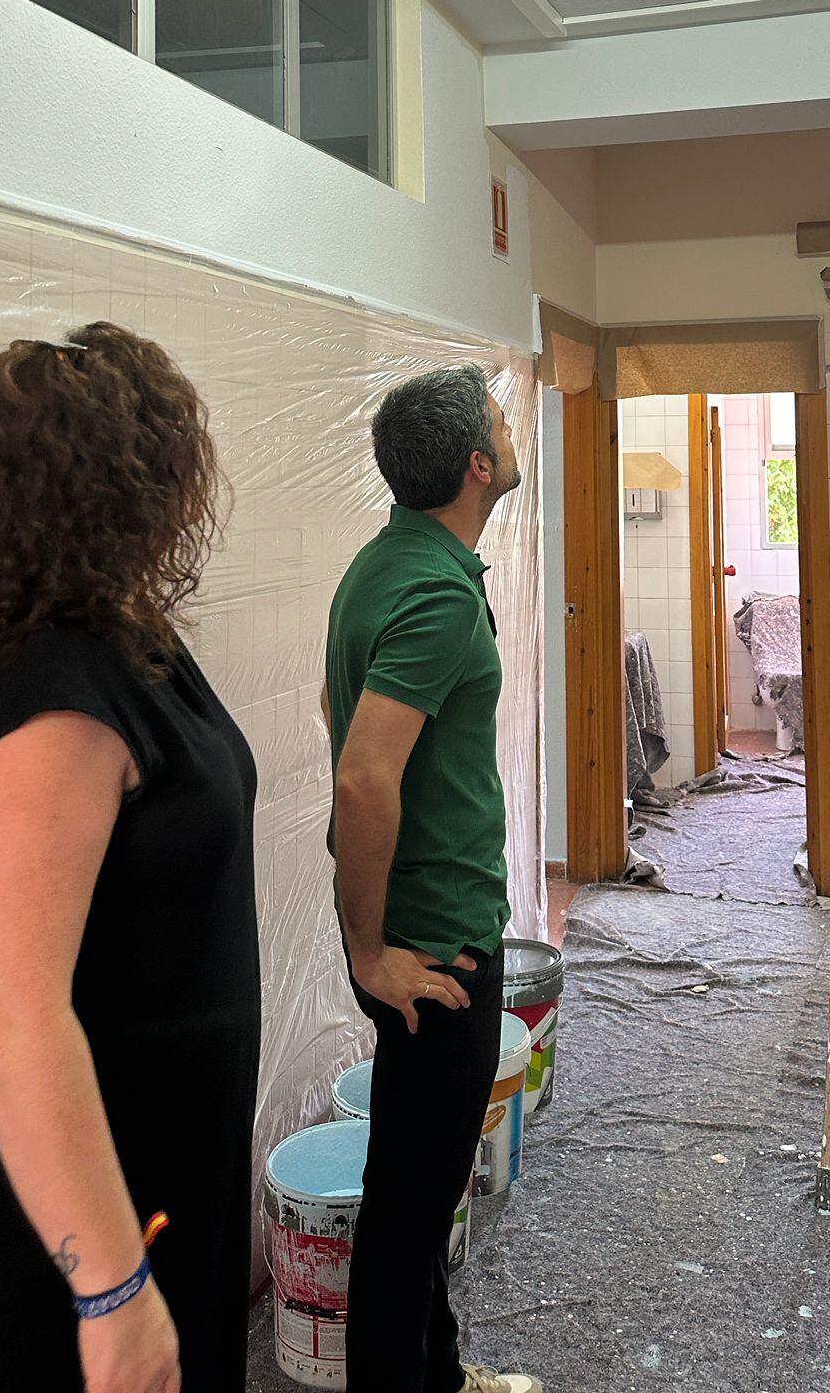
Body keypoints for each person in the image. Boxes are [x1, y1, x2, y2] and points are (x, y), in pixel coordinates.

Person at [0, 323, 260, 1393]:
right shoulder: (50, 695)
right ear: (120, 490)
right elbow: (9, 1010)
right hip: (48, 1231)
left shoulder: (122, 646)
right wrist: (111, 1287)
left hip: (148, 1172)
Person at [323, 365, 540, 1393]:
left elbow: (339, 716)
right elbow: (362, 776)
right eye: (501, 418)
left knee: (419, 1174)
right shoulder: (438, 595)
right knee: (411, 1205)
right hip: (435, 944)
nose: (511, 426)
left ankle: (438, 1372)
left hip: (420, 922)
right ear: (477, 465)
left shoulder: (387, 564)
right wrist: (372, 950)